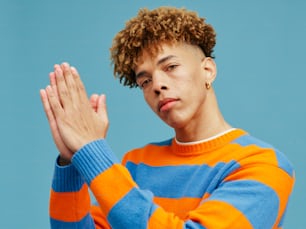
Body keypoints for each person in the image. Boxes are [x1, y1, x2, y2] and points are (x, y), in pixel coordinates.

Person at [40, 6, 295, 229]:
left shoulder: (263, 165)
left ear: (208, 70)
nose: (157, 86)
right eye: (145, 80)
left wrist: (93, 153)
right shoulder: (136, 164)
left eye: (170, 67)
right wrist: (72, 161)